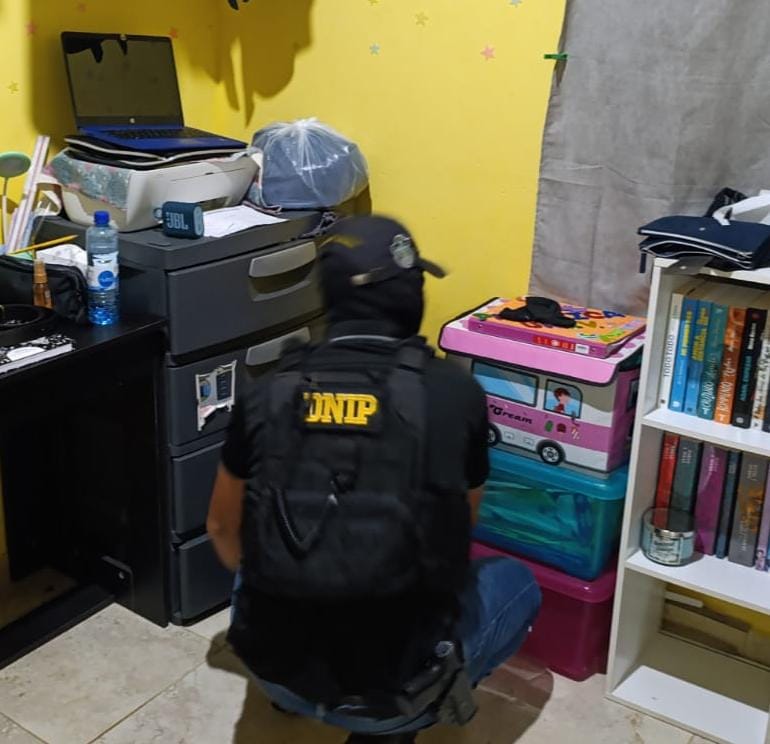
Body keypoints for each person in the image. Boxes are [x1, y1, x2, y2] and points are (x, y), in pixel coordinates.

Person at [207, 215, 541, 743]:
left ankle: (290, 693)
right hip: (392, 688)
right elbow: (459, 528)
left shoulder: (269, 390)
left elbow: (221, 528)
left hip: (272, 662)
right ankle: (390, 722)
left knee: (262, 549)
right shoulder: (454, 394)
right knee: (519, 584)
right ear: (411, 296)